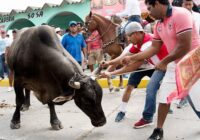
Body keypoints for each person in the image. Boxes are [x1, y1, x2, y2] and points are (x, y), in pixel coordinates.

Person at [121, 0, 200, 139]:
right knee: (164, 96)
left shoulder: (181, 14)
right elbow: (154, 48)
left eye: (150, 8)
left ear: (158, 3)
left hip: (192, 63)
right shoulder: (158, 24)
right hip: (174, 63)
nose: (149, 13)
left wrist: (164, 62)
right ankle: (159, 130)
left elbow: (185, 45)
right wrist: (132, 58)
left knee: (197, 101)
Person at [100, 22, 168, 126]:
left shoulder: (147, 44)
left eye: (129, 35)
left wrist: (111, 74)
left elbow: (131, 67)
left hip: (166, 67)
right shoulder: (139, 42)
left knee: (154, 89)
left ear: (137, 33)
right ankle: (146, 117)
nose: (128, 39)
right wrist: (109, 63)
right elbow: (124, 57)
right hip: (157, 67)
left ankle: (158, 111)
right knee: (145, 88)